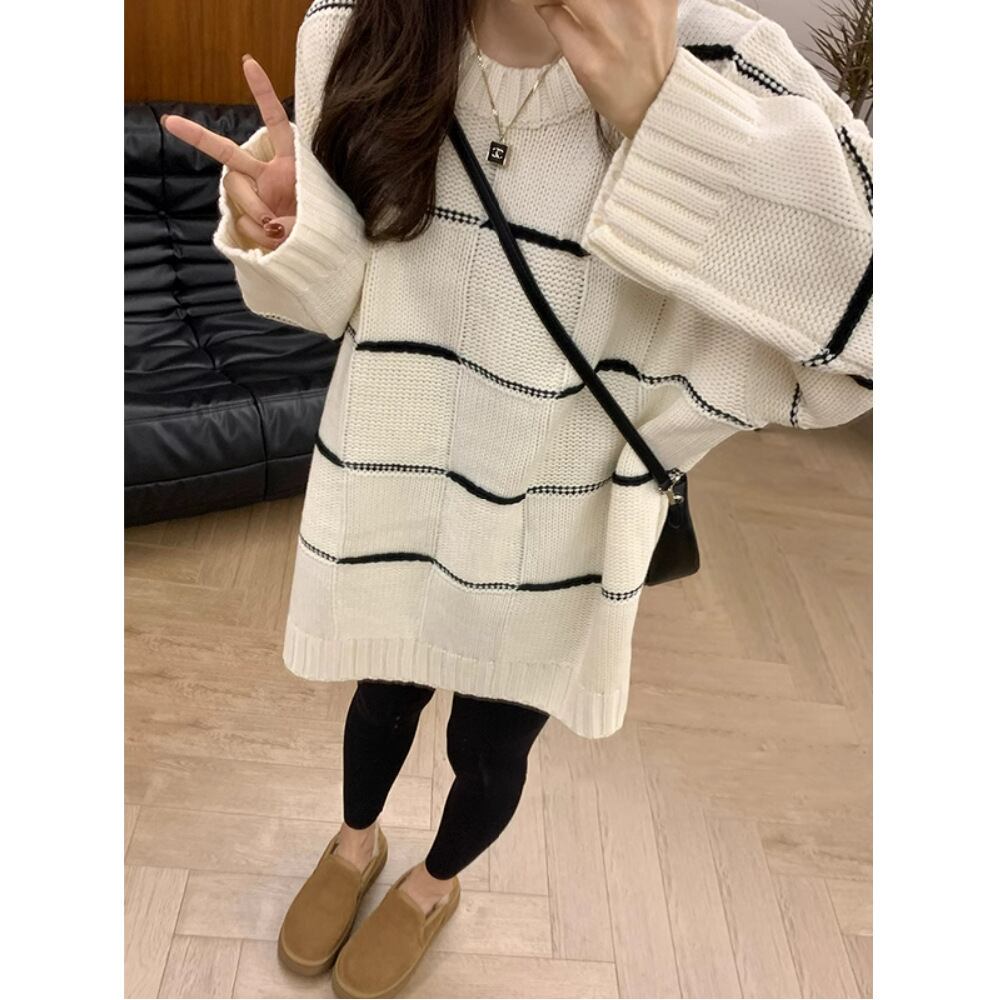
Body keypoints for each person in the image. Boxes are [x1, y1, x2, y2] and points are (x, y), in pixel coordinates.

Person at [161, 0, 873, 994]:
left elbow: (868, 338)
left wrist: (672, 123)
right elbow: (349, 302)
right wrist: (293, 231)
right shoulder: (356, 32)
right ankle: (355, 843)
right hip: (399, 494)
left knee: (488, 750)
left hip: (557, 536)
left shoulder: (724, 60)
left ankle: (431, 886)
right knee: (379, 701)